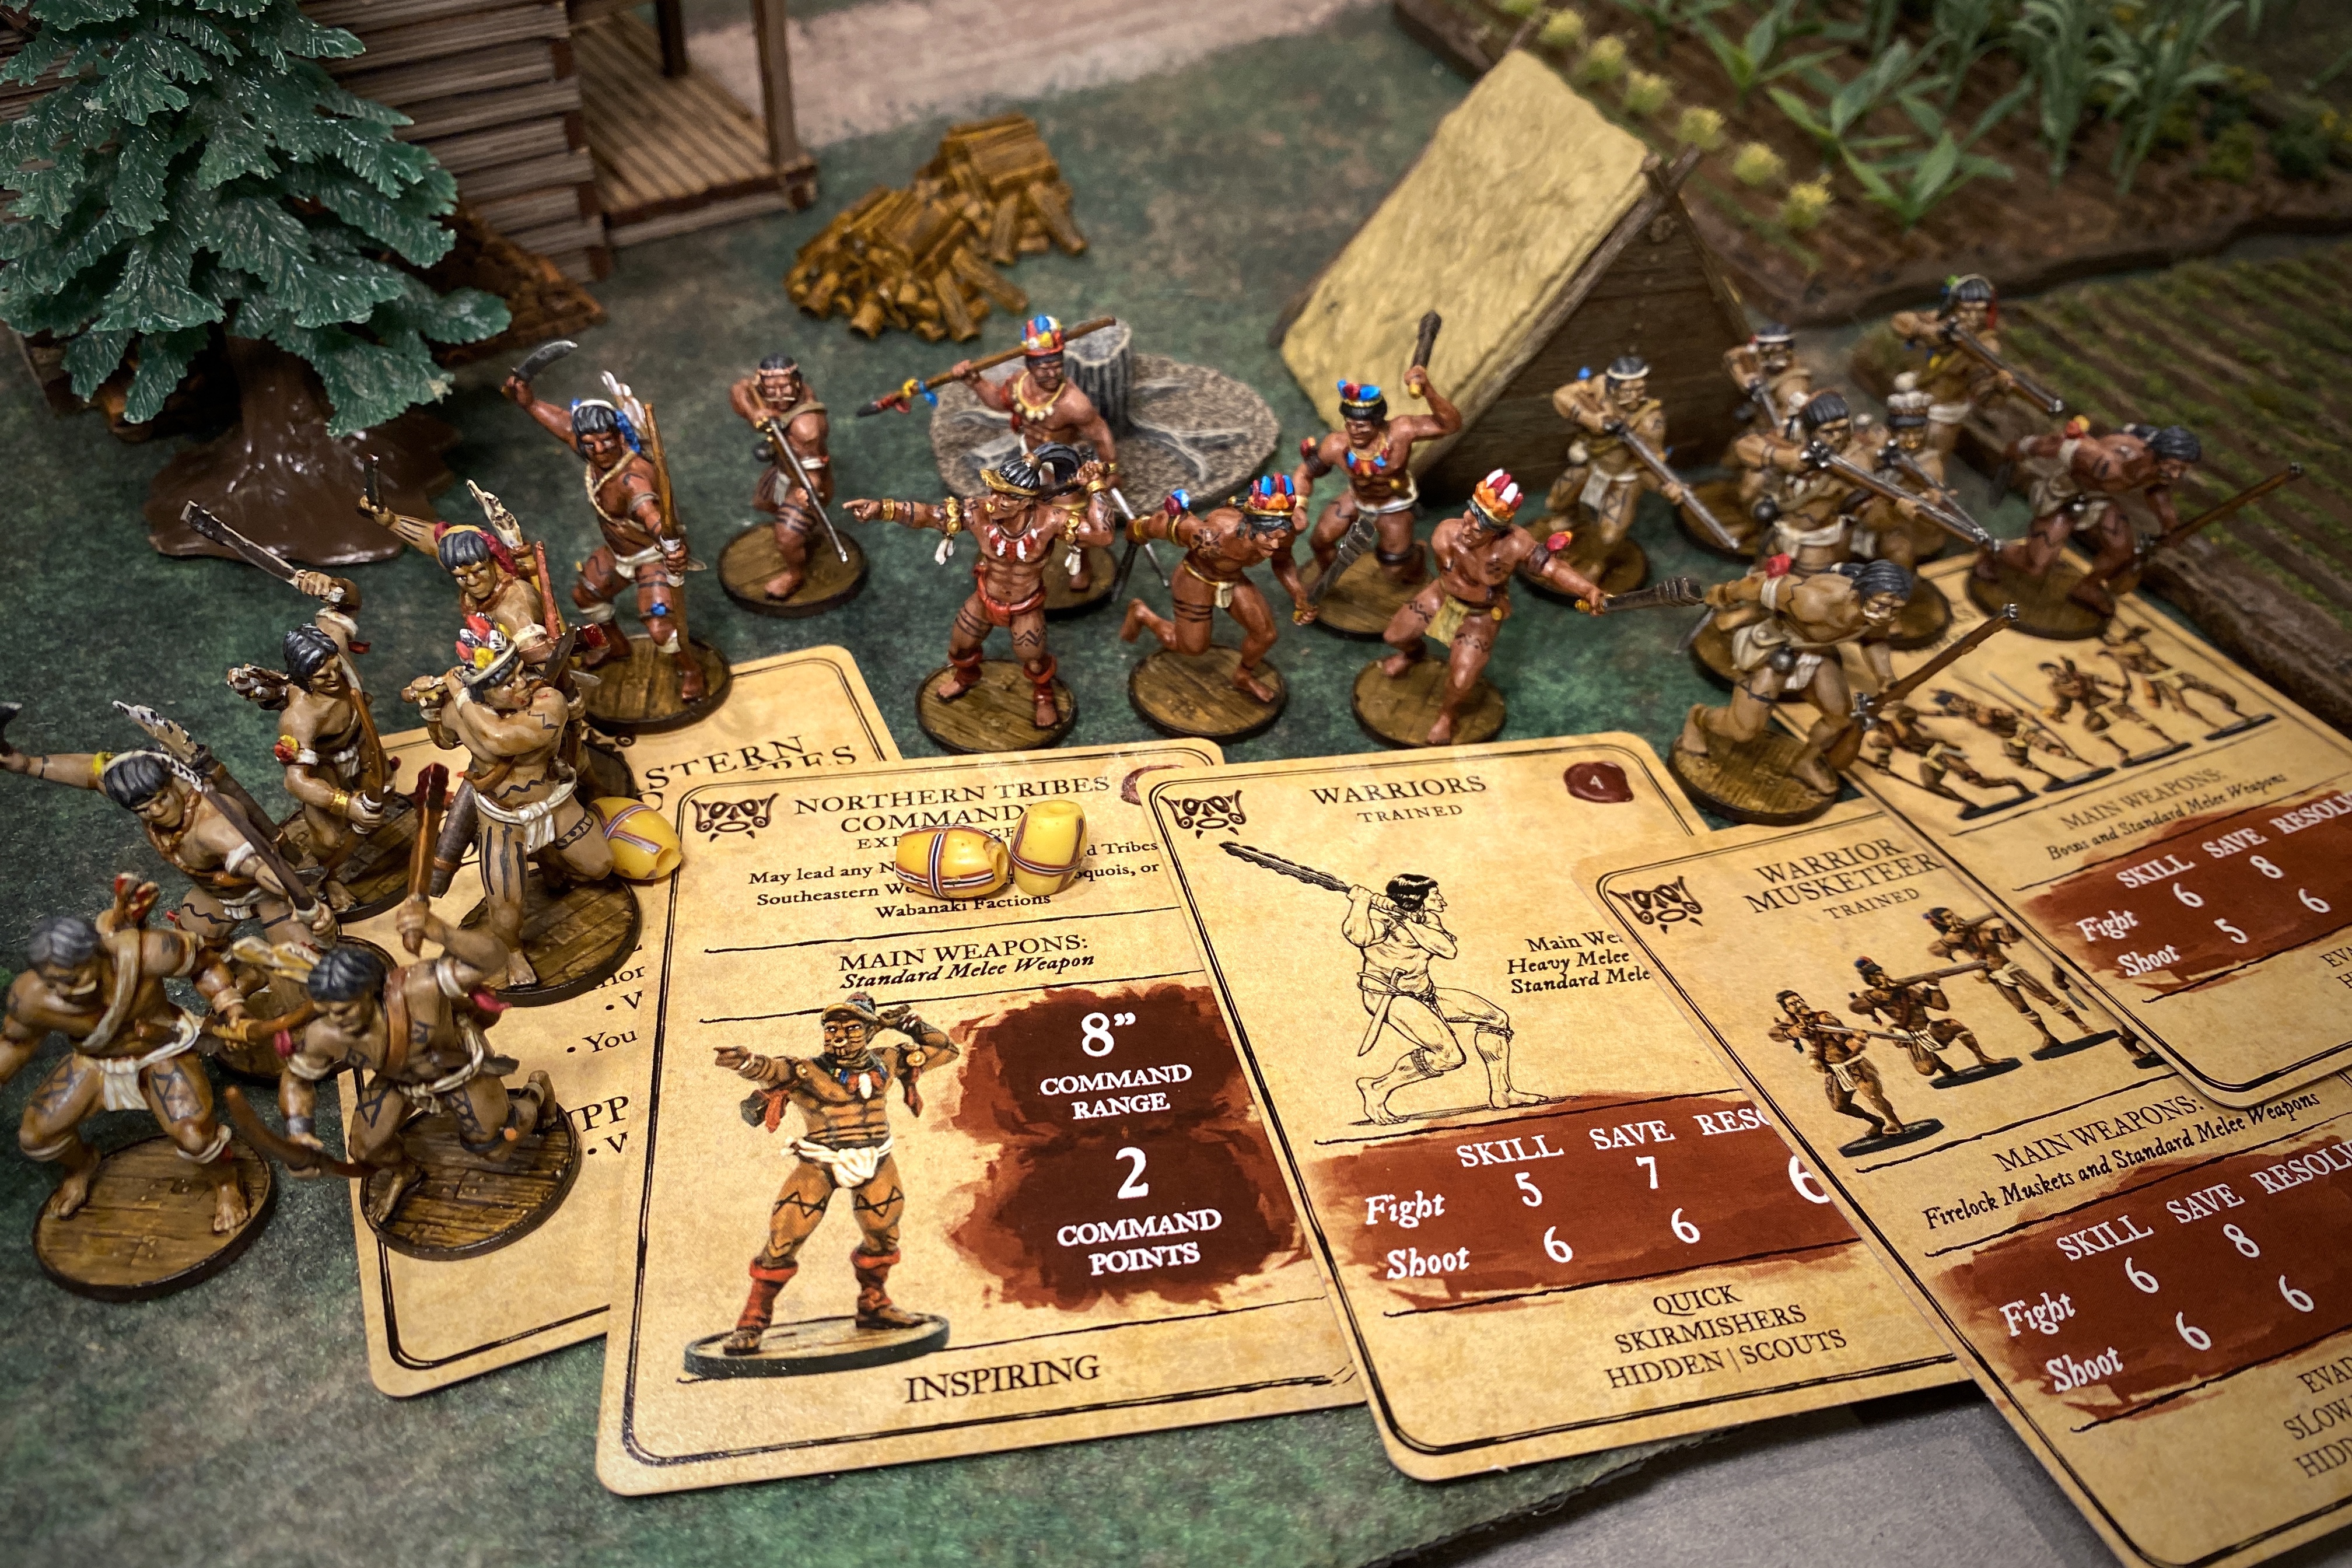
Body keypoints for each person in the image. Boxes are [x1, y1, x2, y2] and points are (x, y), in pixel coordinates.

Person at [714, 993, 961, 1353]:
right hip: (821, 1162)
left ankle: (874, 1304)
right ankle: (752, 1321)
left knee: (883, 1235)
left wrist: (909, 1024)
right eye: (831, 1029)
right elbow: (771, 1070)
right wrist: (745, 1061)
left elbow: (946, 1050)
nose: (840, 1037)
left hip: (877, 1157)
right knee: (784, 1238)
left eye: (853, 1029)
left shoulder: (889, 1061)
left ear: (871, 1031)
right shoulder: (806, 1071)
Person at [1, 888, 253, 1234]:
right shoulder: (31, 998)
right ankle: (80, 1166)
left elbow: (206, 963)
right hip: (96, 1063)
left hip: (161, 1051)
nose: (65, 992)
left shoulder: (149, 952)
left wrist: (231, 1006)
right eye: (54, 983)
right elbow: (15, 1043)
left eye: (74, 979)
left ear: (97, 952)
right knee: (36, 1136)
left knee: (196, 1138)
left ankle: (226, 1183)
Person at [278, 909, 554, 1224]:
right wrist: (298, 1133)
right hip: (400, 1083)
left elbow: (493, 959)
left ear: (370, 992)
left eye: (343, 1010)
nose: (335, 1021)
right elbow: (296, 1079)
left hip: (458, 1073)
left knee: (497, 1148)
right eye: (326, 1011)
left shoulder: (421, 988)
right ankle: (405, 1172)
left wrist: (442, 931)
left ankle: (536, 1091)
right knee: (365, 1150)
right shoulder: (325, 1034)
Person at [848, 444, 1116, 731]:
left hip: (1025, 606)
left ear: (1025, 502)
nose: (993, 502)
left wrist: (1096, 487)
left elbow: (1102, 536)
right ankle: (966, 677)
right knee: (960, 646)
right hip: (985, 598)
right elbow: (932, 515)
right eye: (994, 492)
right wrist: (882, 509)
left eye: (1005, 498)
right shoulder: (978, 511)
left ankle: (1044, 695)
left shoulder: (1051, 520)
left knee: (1035, 660)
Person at [405, 618, 614, 988]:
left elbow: (501, 740)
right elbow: (445, 740)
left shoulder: (548, 701)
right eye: (505, 684)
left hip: (555, 803)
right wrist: (431, 709)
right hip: (503, 821)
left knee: (600, 866)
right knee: (505, 912)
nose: (519, 685)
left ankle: (550, 858)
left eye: (518, 673)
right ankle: (514, 952)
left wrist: (460, 696)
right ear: (483, 692)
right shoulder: (460, 710)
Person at [502, 373, 702, 699]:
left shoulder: (632, 478)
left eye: (606, 442)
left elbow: (650, 513)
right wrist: (532, 404)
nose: (598, 450)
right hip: (620, 554)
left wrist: (672, 547)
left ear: (620, 436)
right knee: (587, 596)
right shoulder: (595, 452)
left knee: (660, 628)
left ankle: (691, 669)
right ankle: (616, 645)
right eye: (590, 444)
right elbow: (565, 427)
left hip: (652, 557)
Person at [1375, 469, 1609, 746]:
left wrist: (1587, 590)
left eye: (1479, 528)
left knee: (1462, 679)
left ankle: (1447, 716)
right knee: (1395, 636)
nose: (1468, 530)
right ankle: (1413, 654)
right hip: (1441, 596)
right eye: (1468, 518)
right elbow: (1453, 572)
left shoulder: (1515, 544)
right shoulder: (1446, 533)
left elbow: (1553, 569)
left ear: (1497, 531)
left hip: (1480, 614)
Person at [1676, 560, 1913, 796]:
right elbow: (1762, 584)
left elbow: (1873, 640)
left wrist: (1886, 677)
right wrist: (1726, 593)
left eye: (1896, 609)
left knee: (1839, 718)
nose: (1888, 615)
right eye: (1882, 606)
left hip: (1817, 655)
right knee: (1743, 731)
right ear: (1860, 593)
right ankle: (1699, 718)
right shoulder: (1814, 600)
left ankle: (1804, 763)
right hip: (1774, 651)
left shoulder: (1878, 614)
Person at [1343, 873, 1539, 1125]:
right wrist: (1360, 903)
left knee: (1496, 1018)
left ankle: (1503, 1092)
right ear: (1417, 899)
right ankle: (1377, 1087)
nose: (1442, 901)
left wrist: (1406, 920)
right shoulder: (1380, 920)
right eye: (1435, 896)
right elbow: (1358, 938)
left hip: (1425, 993)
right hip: (1390, 997)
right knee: (1450, 1057)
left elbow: (1447, 950)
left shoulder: (1427, 920)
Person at [950, 317, 1115, 594]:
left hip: (1062, 468)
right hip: (1028, 461)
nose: (1052, 373)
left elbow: (1101, 435)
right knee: (1011, 509)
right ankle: (1013, 555)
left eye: (1057, 366)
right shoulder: (1019, 385)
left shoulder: (1074, 403)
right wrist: (974, 381)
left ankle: (1082, 566)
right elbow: (998, 401)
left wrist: (1110, 471)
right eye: (1043, 367)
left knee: (1073, 521)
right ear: (1029, 364)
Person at [1119, 473, 1314, 705]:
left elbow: (1282, 561)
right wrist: (1138, 529)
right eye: (1268, 537)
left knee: (1266, 635)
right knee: (1192, 648)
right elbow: (1171, 523)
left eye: (1280, 537)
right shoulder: (1214, 536)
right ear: (1251, 527)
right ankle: (1142, 614)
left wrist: (1298, 594)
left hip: (1233, 578)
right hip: (1196, 579)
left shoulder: (1284, 535)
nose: (1275, 544)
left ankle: (1242, 677)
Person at [1983, 422, 2201, 617]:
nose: (2176, 475)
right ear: (2155, 454)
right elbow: (2058, 443)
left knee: (2122, 551)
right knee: (2035, 566)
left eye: (2182, 470)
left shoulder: (2157, 473)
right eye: (2174, 467)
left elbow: (2158, 496)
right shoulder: (2102, 459)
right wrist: (2021, 448)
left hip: (2100, 500)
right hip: (2066, 496)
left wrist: (2170, 528)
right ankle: (1992, 552)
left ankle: (2087, 587)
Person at [1300, 368, 1462, 586]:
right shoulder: (1337, 445)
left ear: (1378, 422)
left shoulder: (1402, 431)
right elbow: (1305, 472)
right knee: (1320, 540)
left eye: (1361, 426)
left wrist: (1428, 390)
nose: (1353, 431)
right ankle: (1329, 577)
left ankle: (1417, 557)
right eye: (1349, 424)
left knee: (1394, 570)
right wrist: (1299, 506)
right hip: (1357, 499)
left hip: (1393, 504)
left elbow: (1450, 425)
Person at [1544, 354, 1686, 577]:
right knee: (1555, 502)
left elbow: (1650, 465)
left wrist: (1665, 487)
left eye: (1639, 389)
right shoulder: (1600, 387)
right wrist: (1593, 419)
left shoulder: (1651, 421)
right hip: (1592, 465)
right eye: (1627, 390)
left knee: (1609, 537)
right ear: (1613, 385)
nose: (1634, 396)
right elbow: (1562, 396)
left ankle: (1597, 563)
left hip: (1624, 479)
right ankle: (1572, 516)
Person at [730, 352, 834, 601]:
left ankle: (794, 575)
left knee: (787, 537)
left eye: (785, 387)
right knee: (766, 503)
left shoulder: (806, 427)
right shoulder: (769, 394)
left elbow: (813, 472)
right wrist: (754, 413)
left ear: (797, 382)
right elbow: (739, 389)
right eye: (771, 389)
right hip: (783, 469)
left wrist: (807, 491)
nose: (779, 395)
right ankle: (802, 534)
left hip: (806, 482)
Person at [1888, 274, 2021, 456]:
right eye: (1966, 310)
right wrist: (1932, 332)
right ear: (1954, 306)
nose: (1973, 317)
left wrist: (1999, 387)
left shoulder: (1987, 346)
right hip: (1910, 401)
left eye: (1980, 311)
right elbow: (1900, 322)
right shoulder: (1940, 320)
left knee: (1930, 458)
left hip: (1943, 414)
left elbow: (1982, 392)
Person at [1771, 989, 1910, 1142]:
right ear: (1788, 1009)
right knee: (1840, 1106)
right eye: (1793, 1004)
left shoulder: (1824, 1019)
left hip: (1854, 1065)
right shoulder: (1793, 1022)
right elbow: (1774, 1034)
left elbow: (1847, 1042)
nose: (1799, 1004)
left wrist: (1859, 1041)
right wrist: (1793, 1032)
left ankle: (1896, 1124)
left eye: (1799, 1000)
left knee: (1873, 1096)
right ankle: (1876, 1121)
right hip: (1834, 1070)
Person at [1847, 957, 2008, 1078]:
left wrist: (1934, 986)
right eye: (1877, 976)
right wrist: (1878, 995)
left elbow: (1941, 1006)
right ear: (1871, 980)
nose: (1883, 977)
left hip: (1929, 1028)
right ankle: (1942, 1066)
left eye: (1881, 973)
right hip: (1911, 1036)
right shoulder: (1873, 996)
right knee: (1927, 1070)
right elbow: (1855, 1007)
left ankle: (1982, 1058)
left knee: (1954, 1024)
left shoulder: (1910, 990)